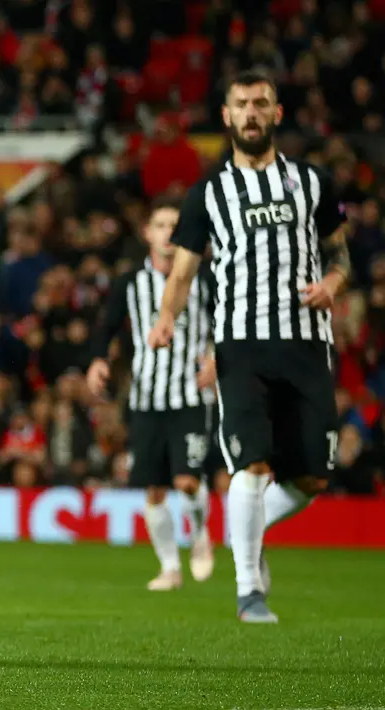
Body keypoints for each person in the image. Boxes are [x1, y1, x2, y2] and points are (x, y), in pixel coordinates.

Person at [147, 69, 350, 623]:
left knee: (311, 479)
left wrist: (332, 284)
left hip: (307, 347)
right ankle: (248, 593)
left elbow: (341, 254)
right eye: (243, 104)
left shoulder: (313, 183)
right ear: (227, 117)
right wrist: (166, 318)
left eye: (262, 103)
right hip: (241, 346)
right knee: (251, 466)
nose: (253, 112)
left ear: (278, 114)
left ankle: (244, 536)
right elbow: (183, 270)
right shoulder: (207, 195)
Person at [87, 198, 217, 591]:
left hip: (191, 395)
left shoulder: (205, 278)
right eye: (160, 225)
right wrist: (97, 360)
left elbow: (228, 322)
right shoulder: (130, 283)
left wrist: (217, 358)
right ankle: (169, 568)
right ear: (147, 233)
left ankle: (198, 534)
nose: (167, 233)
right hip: (146, 397)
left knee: (187, 482)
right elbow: (106, 325)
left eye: (174, 226)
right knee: (154, 489)